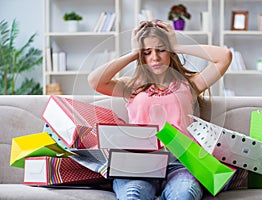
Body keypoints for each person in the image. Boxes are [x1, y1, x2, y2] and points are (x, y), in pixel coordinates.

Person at [88, 20, 232, 200]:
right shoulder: (131, 86)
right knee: (133, 196)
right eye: (147, 52)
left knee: (185, 194)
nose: (154, 58)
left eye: (161, 49)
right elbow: (95, 80)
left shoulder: (188, 84)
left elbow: (224, 56)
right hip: (139, 164)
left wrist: (176, 46)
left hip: (181, 164)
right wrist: (134, 53)